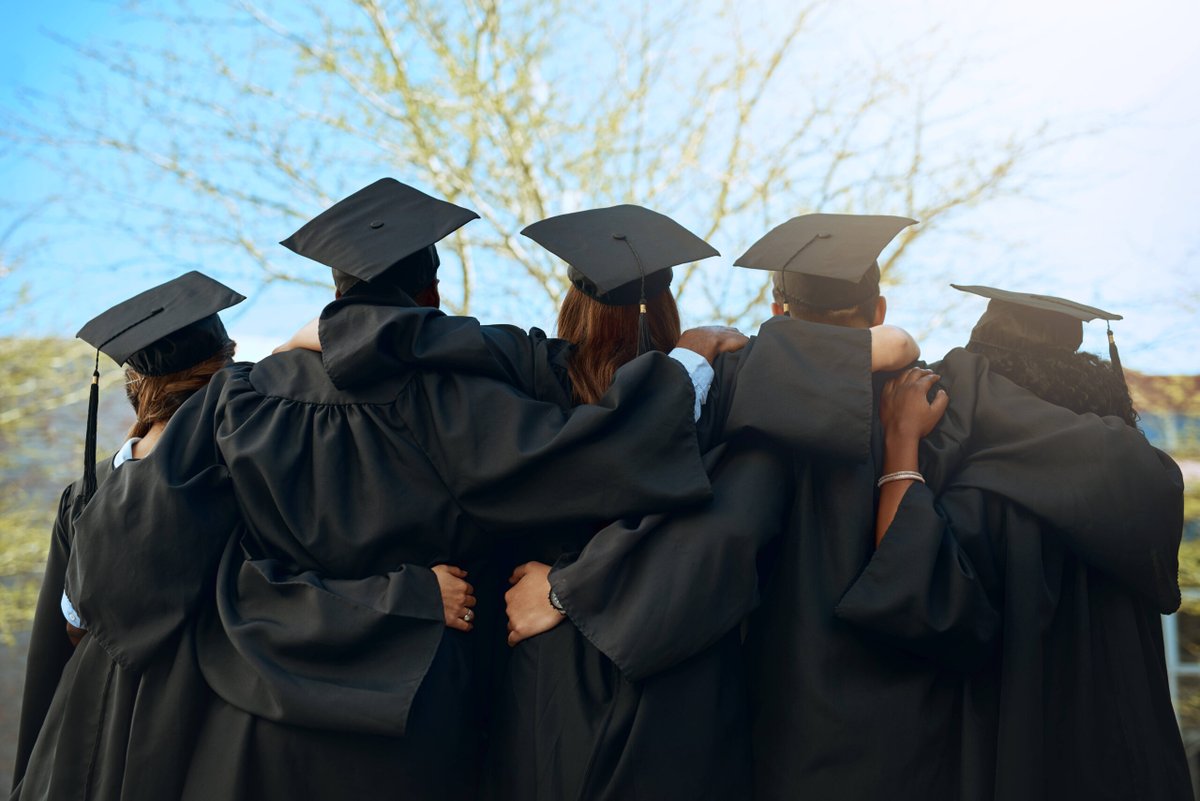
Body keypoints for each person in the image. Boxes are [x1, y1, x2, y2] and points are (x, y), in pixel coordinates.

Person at [58, 179, 746, 801]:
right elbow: (591, 462)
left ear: (336, 293)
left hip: (261, 717)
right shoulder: (459, 391)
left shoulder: (239, 399)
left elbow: (121, 566)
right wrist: (690, 359)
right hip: (414, 712)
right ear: (431, 293)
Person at [841, 285, 1189, 800]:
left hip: (1021, 763)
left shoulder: (990, 495)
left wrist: (901, 442)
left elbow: (917, 602)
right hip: (1130, 764)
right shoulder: (1141, 478)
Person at [11, 271, 245, 794]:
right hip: (210, 719)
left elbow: (61, 635)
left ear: (134, 387)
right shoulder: (242, 471)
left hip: (88, 722)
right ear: (225, 366)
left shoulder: (90, 493)